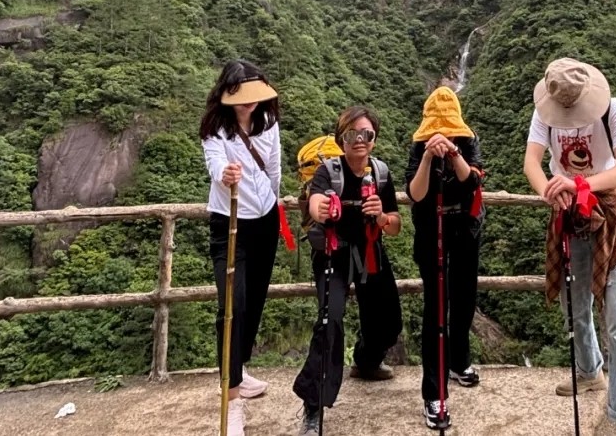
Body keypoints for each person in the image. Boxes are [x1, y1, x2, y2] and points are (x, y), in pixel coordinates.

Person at [523, 58, 616, 432]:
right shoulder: (544, 114)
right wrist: (550, 190)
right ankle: (589, 370)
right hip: (570, 212)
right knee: (574, 305)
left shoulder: (612, 110)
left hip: (613, 212)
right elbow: (531, 163)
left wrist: (579, 184)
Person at [293, 106, 403, 434]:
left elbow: (395, 226)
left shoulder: (380, 173)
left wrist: (382, 217)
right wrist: (324, 209)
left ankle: (367, 362)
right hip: (334, 253)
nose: (360, 139)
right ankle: (313, 406)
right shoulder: (328, 171)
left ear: (374, 139)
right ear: (342, 139)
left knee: (389, 319)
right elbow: (315, 204)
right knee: (330, 322)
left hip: (369, 250)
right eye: (352, 134)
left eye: (367, 134)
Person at [200, 59, 283, 436]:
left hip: (265, 220)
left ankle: (239, 369)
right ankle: (231, 398)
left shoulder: (268, 121)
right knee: (232, 306)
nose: (249, 102)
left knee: (255, 300)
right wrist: (225, 174)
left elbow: (274, 168)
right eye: (241, 95)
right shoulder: (215, 128)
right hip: (229, 223)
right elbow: (215, 164)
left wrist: (274, 202)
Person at [405, 86, 487, 430]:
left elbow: (472, 181)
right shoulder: (418, 147)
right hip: (432, 231)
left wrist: (454, 153)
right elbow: (415, 193)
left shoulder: (467, 141)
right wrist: (427, 158)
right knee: (435, 309)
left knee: (464, 299)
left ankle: (458, 361)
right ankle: (433, 393)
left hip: (465, 228)